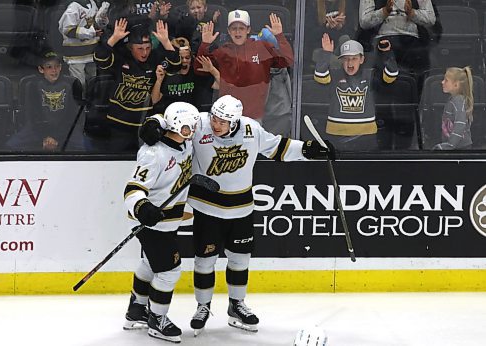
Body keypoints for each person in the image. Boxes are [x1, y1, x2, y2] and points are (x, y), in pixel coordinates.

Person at [139, 94, 335, 335]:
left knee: (240, 259)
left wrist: (307, 149)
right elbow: (173, 116)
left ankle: (236, 305)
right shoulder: (201, 124)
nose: (216, 124)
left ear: (235, 122)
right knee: (204, 261)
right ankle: (203, 306)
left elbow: (277, 147)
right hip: (206, 208)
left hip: (241, 209)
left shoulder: (252, 130)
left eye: (223, 121)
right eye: (214, 118)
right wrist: (154, 122)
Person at [123, 101, 200, 343]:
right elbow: (132, 189)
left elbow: (165, 116)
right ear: (177, 126)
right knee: (169, 270)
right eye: (190, 127)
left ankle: (136, 309)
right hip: (150, 223)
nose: (194, 131)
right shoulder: (153, 154)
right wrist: (143, 207)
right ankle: (157, 319)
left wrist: (154, 120)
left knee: (149, 263)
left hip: (168, 222)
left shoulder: (182, 142)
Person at [89, 17, 180, 152]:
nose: (144, 53)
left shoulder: (154, 58)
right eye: (140, 48)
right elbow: (100, 58)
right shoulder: (121, 57)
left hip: (144, 125)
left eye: (148, 48)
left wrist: (166, 42)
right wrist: (114, 38)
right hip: (118, 125)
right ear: (130, 47)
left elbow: (175, 65)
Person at [194, 10, 294, 121]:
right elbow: (199, 69)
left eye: (241, 28)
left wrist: (279, 36)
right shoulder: (223, 52)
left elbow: (287, 60)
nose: (238, 32)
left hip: (255, 118)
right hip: (227, 117)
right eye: (234, 28)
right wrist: (205, 44)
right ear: (228, 31)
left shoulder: (262, 48)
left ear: (248, 30)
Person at [314, 33, 398, 151]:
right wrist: (326, 54)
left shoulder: (370, 75)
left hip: (366, 135)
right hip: (336, 134)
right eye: (346, 59)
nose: (350, 63)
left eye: (354, 58)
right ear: (341, 60)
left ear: (362, 59)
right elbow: (320, 76)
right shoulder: (335, 74)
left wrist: (386, 53)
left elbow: (391, 75)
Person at [6, 51, 84, 152]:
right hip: (37, 130)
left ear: (60, 67)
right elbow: (32, 115)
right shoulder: (33, 86)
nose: (54, 70)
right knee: (10, 146)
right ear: (41, 69)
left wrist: (57, 138)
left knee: (86, 148)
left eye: (57, 66)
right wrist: (45, 137)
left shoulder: (72, 84)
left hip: (66, 130)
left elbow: (74, 115)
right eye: (49, 67)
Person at [358, 0, 439, 81]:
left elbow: (431, 19)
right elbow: (364, 21)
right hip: (382, 39)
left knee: (419, 63)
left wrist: (412, 13)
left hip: (412, 42)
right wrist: (384, 12)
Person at [151, 37, 218, 114]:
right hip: (170, 117)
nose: (184, 61)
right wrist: (159, 80)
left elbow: (219, 85)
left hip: (192, 117)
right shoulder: (167, 74)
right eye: (181, 58)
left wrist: (212, 70)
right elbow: (154, 100)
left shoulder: (196, 73)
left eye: (187, 58)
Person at [58, 0, 110, 88]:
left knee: (93, 82)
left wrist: (102, 20)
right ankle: (79, 101)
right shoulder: (73, 7)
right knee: (79, 84)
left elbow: (96, 25)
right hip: (76, 55)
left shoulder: (93, 4)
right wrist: (92, 32)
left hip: (91, 53)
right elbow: (68, 30)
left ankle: (92, 100)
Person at [433, 67, 474, 150]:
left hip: (460, 149)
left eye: (446, 80)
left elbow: (460, 125)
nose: (442, 82)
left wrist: (449, 145)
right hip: (455, 147)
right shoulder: (453, 100)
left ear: (456, 85)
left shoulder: (458, 101)